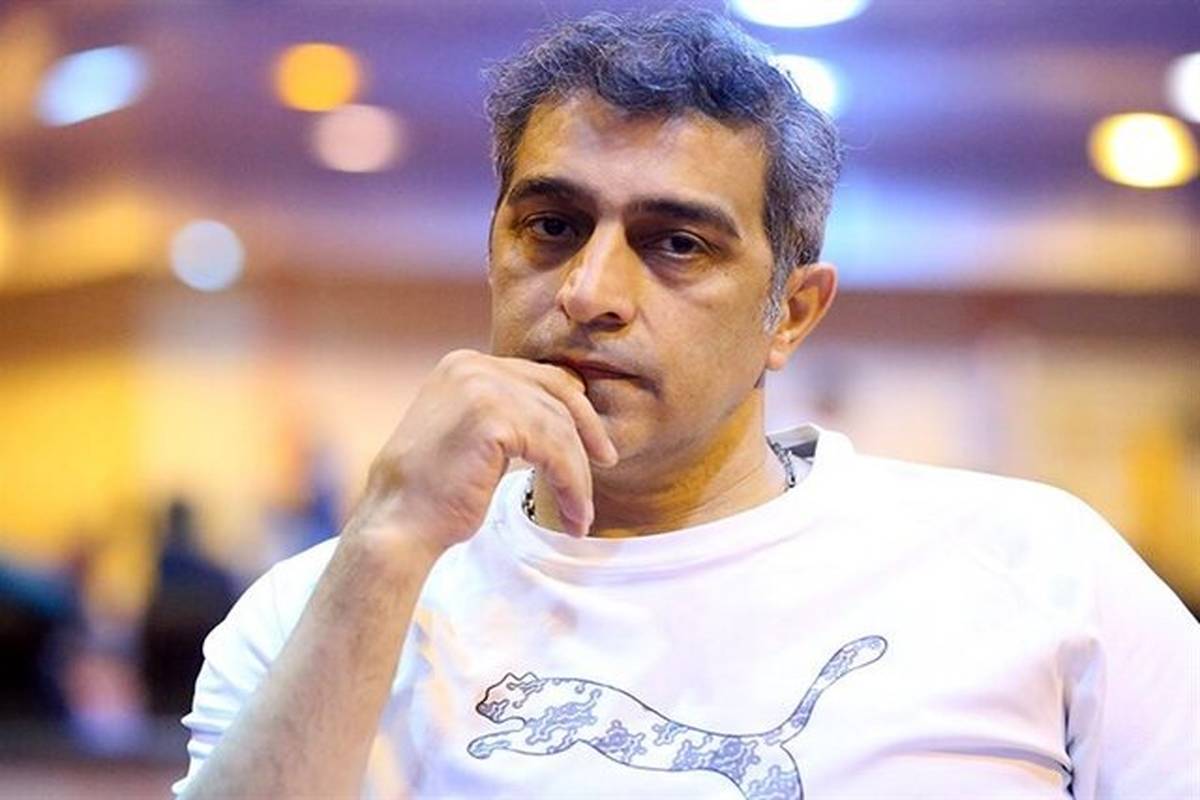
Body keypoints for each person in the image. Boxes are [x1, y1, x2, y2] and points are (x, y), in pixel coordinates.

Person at [173, 10, 1199, 799]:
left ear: (790, 313)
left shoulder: (1037, 570)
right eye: (552, 225)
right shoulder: (318, 611)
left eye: (677, 243)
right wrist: (388, 538)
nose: (590, 293)